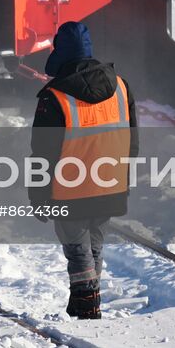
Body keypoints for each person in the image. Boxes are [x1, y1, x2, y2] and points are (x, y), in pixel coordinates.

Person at [30, 21, 139, 320]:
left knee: (78, 251)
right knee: (94, 247)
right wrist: (123, 181)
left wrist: (39, 197)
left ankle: (89, 308)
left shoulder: (54, 98)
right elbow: (133, 140)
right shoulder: (121, 86)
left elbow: (42, 156)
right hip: (110, 185)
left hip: (70, 191)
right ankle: (84, 301)